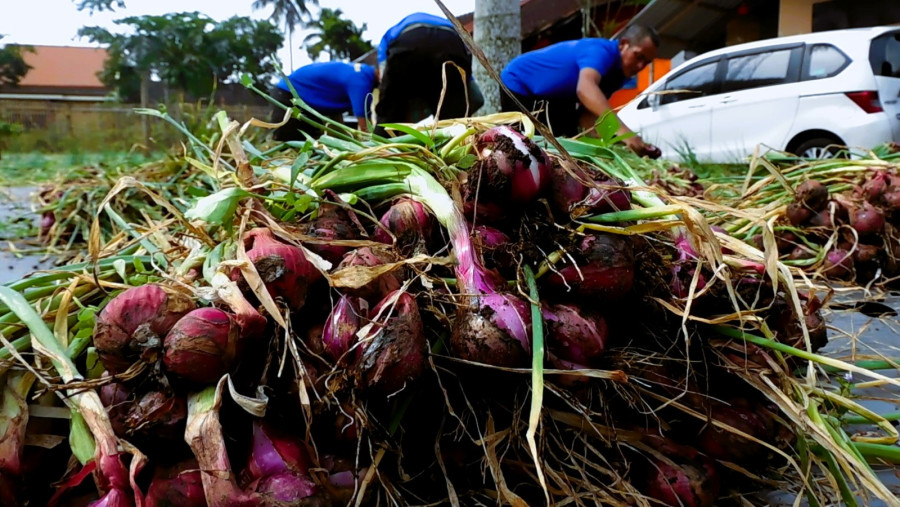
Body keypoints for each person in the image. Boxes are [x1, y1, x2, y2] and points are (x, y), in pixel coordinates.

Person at [500, 25, 661, 156]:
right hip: (520, 84)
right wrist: (626, 133)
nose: (640, 66)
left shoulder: (618, 76)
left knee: (566, 144)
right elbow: (585, 89)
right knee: (527, 148)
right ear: (623, 44)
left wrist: (623, 145)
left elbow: (588, 116)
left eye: (646, 62)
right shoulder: (600, 51)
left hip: (557, 98)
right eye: (638, 56)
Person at [375, 12, 483, 134]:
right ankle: (453, 139)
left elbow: (385, 77)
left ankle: (382, 139)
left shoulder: (389, 35)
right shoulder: (448, 27)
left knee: (389, 108)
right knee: (453, 118)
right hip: (451, 42)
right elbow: (466, 78)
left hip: (410, 42)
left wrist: (386, 98)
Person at [270, 61, 378, 141]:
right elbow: (365, 128)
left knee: (312, 141)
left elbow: (335, 115)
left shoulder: (361, 72)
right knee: (290, 142)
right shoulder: (361, 82)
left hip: (303, 98)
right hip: (289, 95)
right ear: (380, 72)